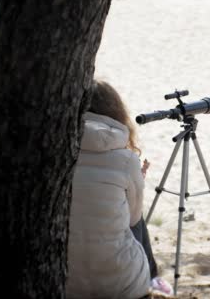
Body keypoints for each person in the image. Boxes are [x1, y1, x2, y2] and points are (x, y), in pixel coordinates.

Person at [66, 80, 173, 299]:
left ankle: (152, 277)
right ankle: (153, 278)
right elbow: (132, 219)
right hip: (121, 283)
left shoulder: (55, 153)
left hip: (66, 277)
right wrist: (136, 183)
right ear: (115, 112)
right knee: (137, 220)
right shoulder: (125, 160)